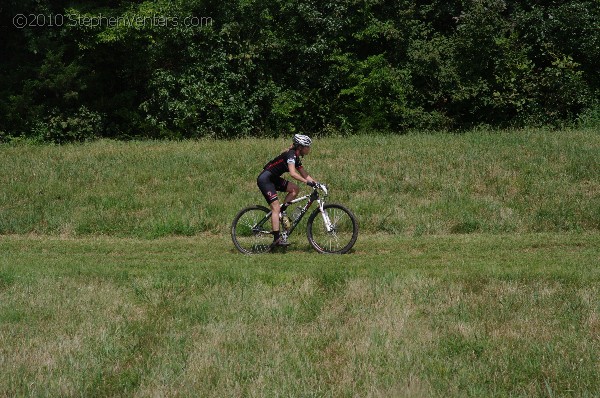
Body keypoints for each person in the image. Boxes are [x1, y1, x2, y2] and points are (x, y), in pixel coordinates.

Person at [257, 134, 318, 247]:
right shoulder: (291, 155)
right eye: (307, 146)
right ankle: (276, 239)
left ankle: (282, 211)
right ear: (300, 147)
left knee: (295, 189)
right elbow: (293, 173)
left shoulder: (296, 157)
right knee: (275, 208)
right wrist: (307, 182)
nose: (309, 148)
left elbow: (304, 174)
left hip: (273, 179)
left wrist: (316, 184)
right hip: (265, 180)